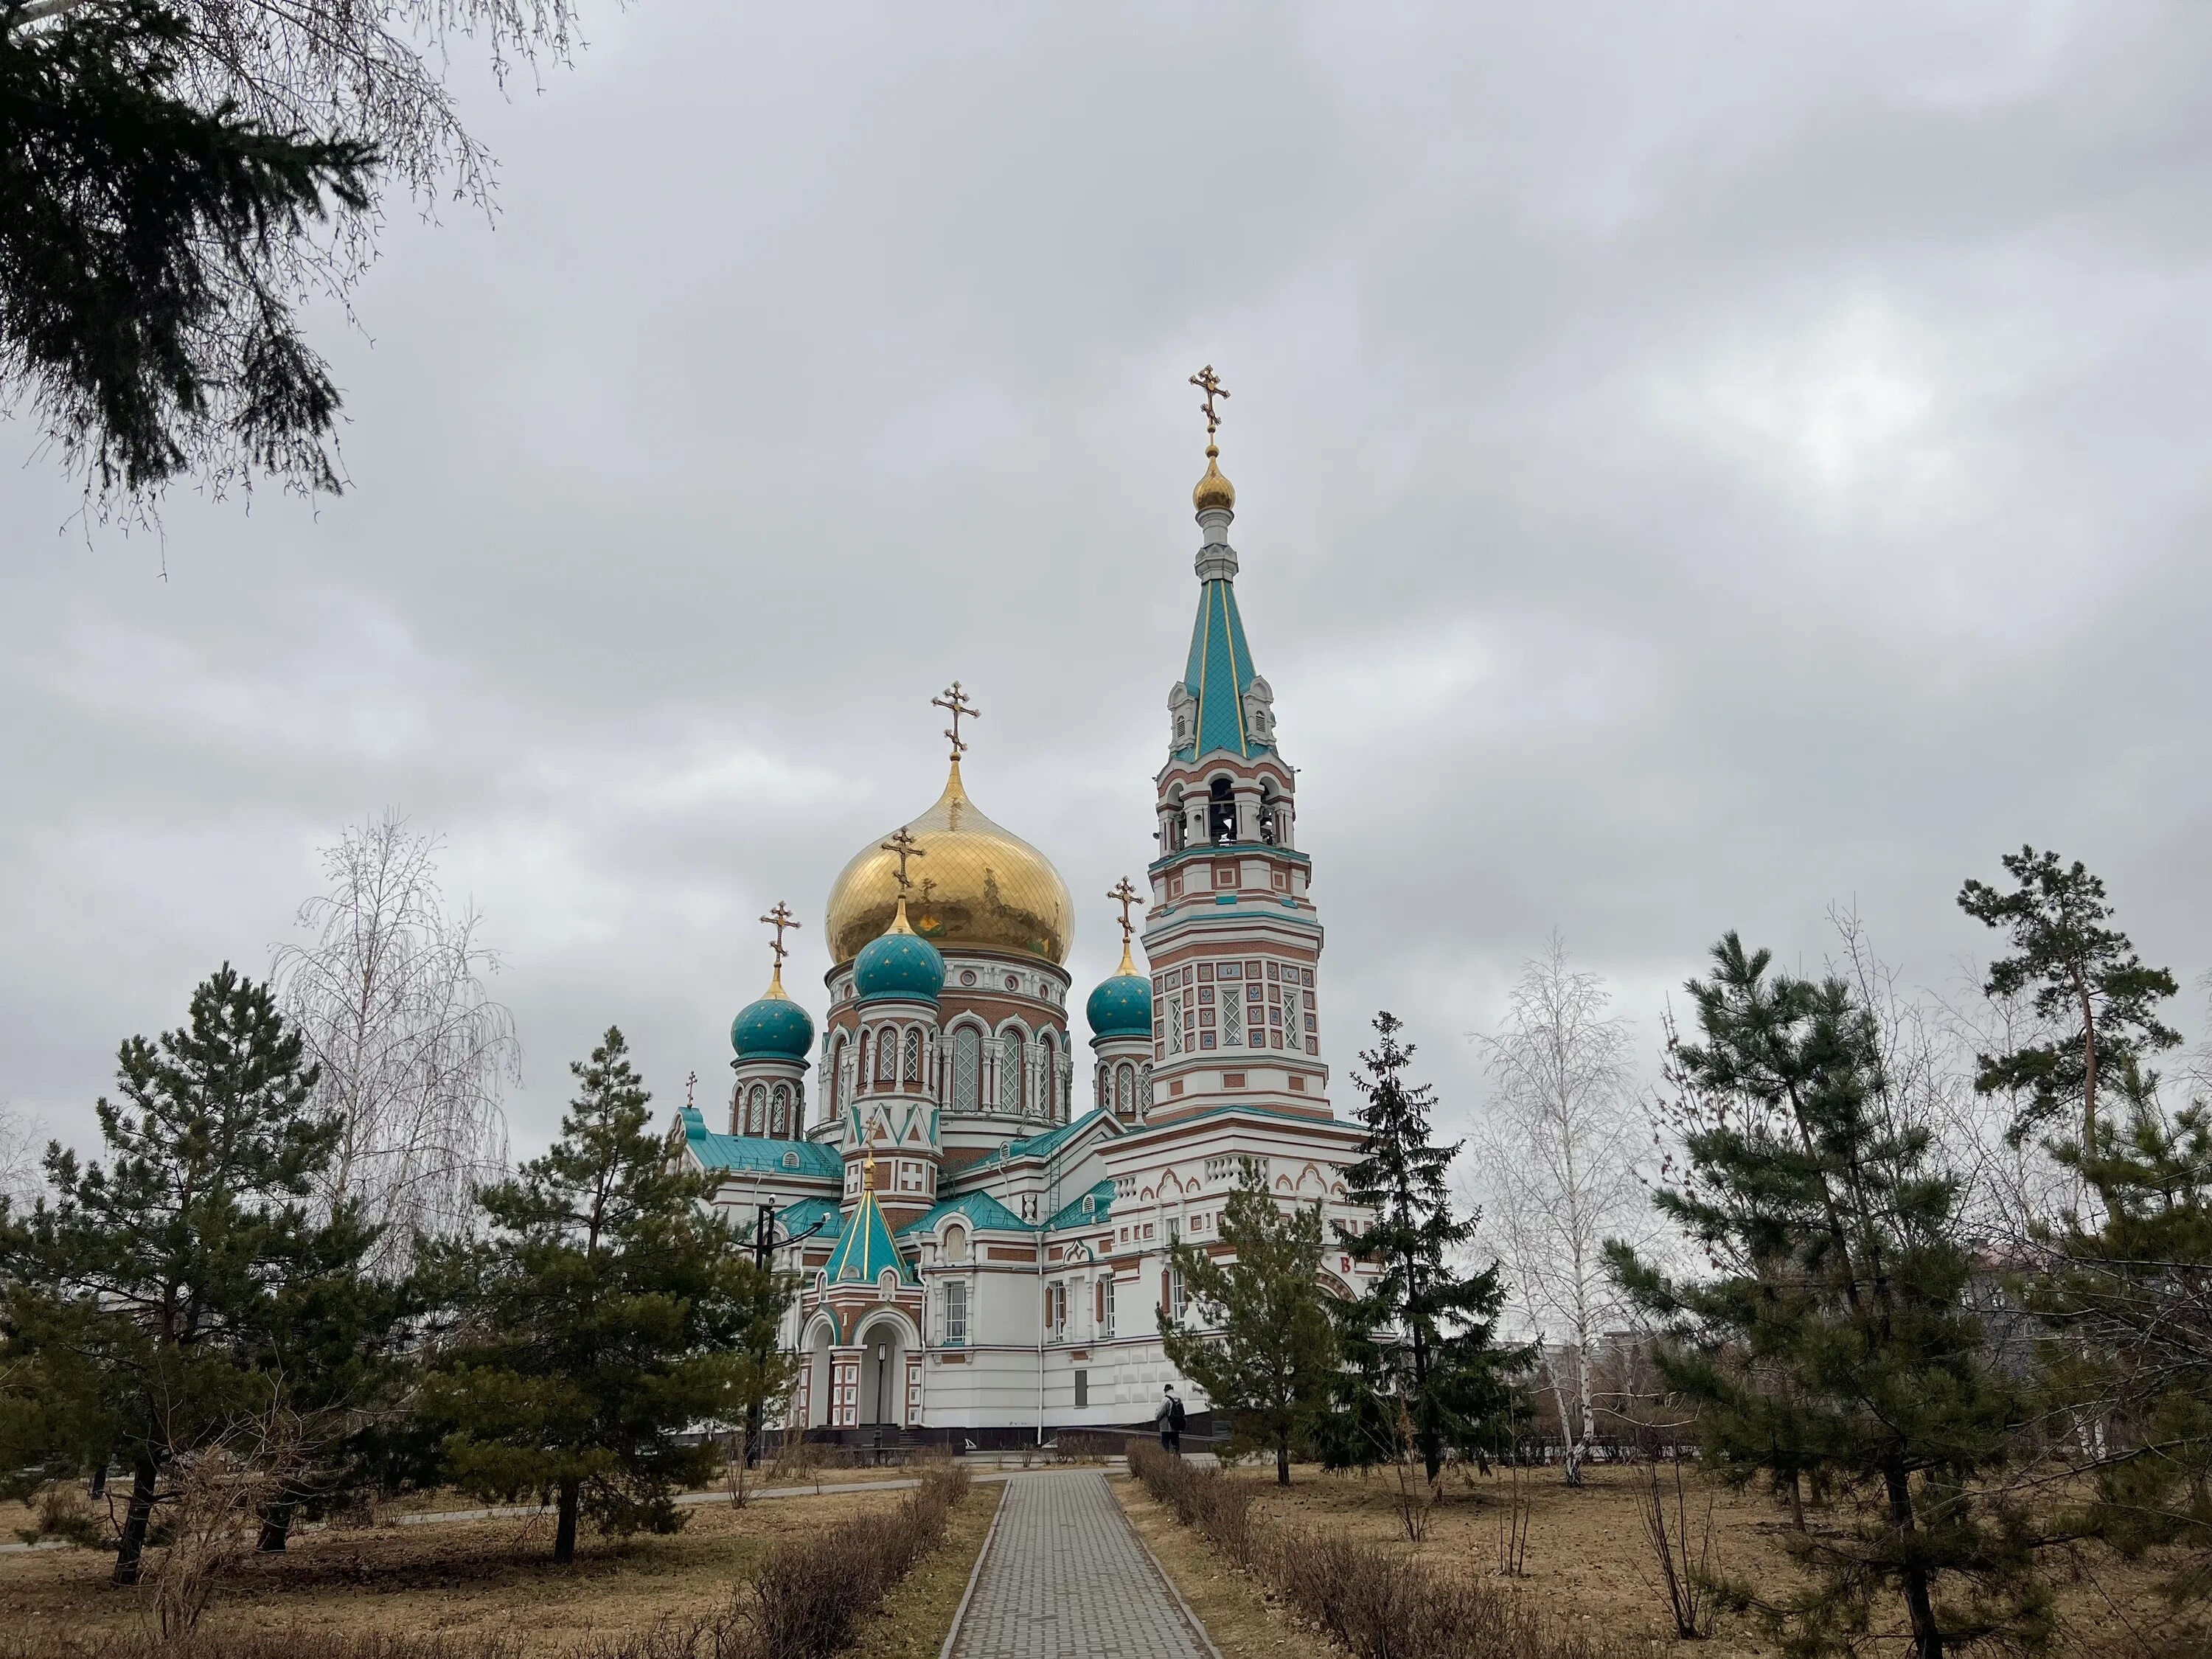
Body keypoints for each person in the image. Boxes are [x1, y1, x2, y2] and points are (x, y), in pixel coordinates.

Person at [1156, 1384, 1186, 1454]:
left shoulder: (1166, 1399)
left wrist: (1157, 1418)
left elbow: (1159, 1413)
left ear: (1166, 1390)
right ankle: (1177, 1462)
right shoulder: (1179, 1400)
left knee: (1165, 1447)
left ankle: (1167, 1463)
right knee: (1176, 1446)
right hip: (1176, 1427)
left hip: (1166, 1427)